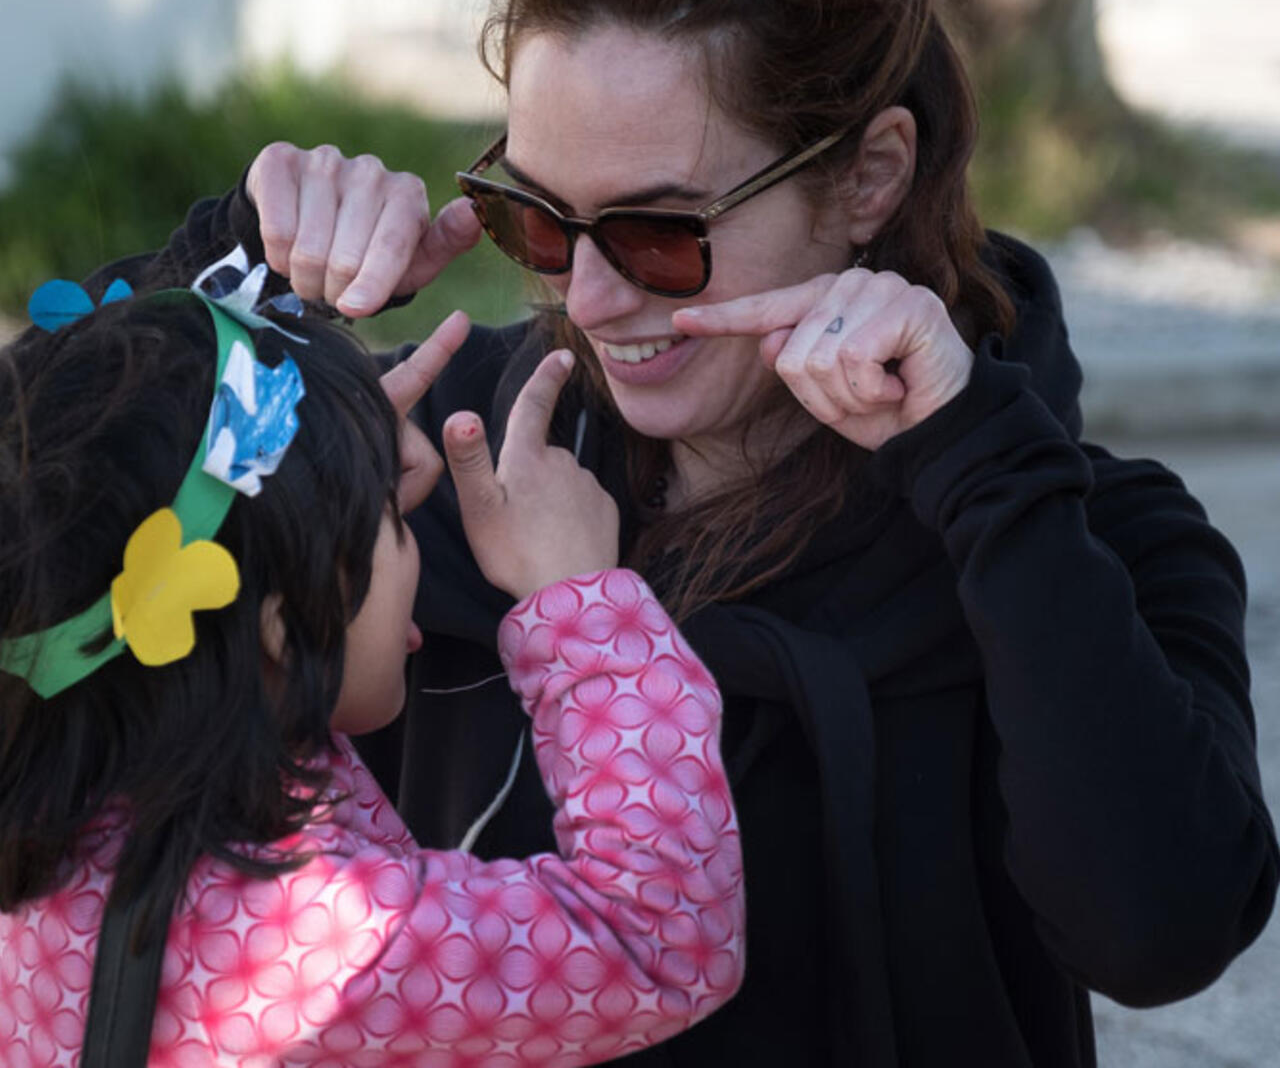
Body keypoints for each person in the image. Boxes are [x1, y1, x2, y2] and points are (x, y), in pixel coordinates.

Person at [71, 0, 1279, 1063]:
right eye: (535, 216)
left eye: (660, 233)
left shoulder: (1068, 529)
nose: (586, 299)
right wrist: (225, 272)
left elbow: (1162, 931)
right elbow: (49, 576)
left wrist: (982, 462)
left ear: (868, 177)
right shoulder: (437, 447)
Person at [0, 284, 744, 1065]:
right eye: (392, 519)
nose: (415, 535)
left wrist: (325, 491)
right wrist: (582, 606)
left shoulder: (76, 814)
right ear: (283, 629)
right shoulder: (304, 944)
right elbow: (655, 936)